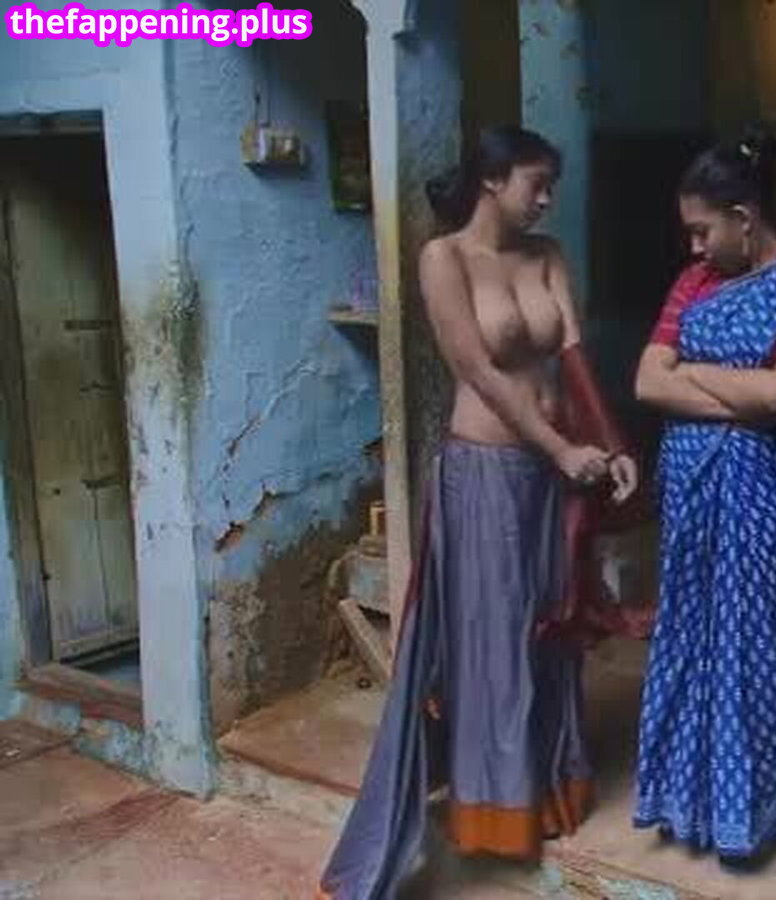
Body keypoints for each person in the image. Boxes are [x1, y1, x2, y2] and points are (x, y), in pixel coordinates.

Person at [317, 125, 639, 899]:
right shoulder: (444, 259)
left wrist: (609, 443)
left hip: (555, 472)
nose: (547, 198)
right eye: (536, 182)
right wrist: (561, 449)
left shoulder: (547, 254)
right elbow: (482, 373)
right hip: (487, 473)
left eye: (551, 184)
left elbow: (572, 357)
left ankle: (550, 786)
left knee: (554, 628)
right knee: (495, 637)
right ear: (493, 180)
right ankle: (496, 809)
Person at [632, 127, 776, 864]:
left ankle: (747, 822)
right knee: (689, 640)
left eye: (702, 231)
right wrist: (741, 397)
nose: (693, 247)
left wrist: (692, 375)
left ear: (744, 219)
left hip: (773, 503)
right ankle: (686, 807)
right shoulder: (692, 284)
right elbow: (647, 380)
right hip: (692, 499)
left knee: (758, 653)